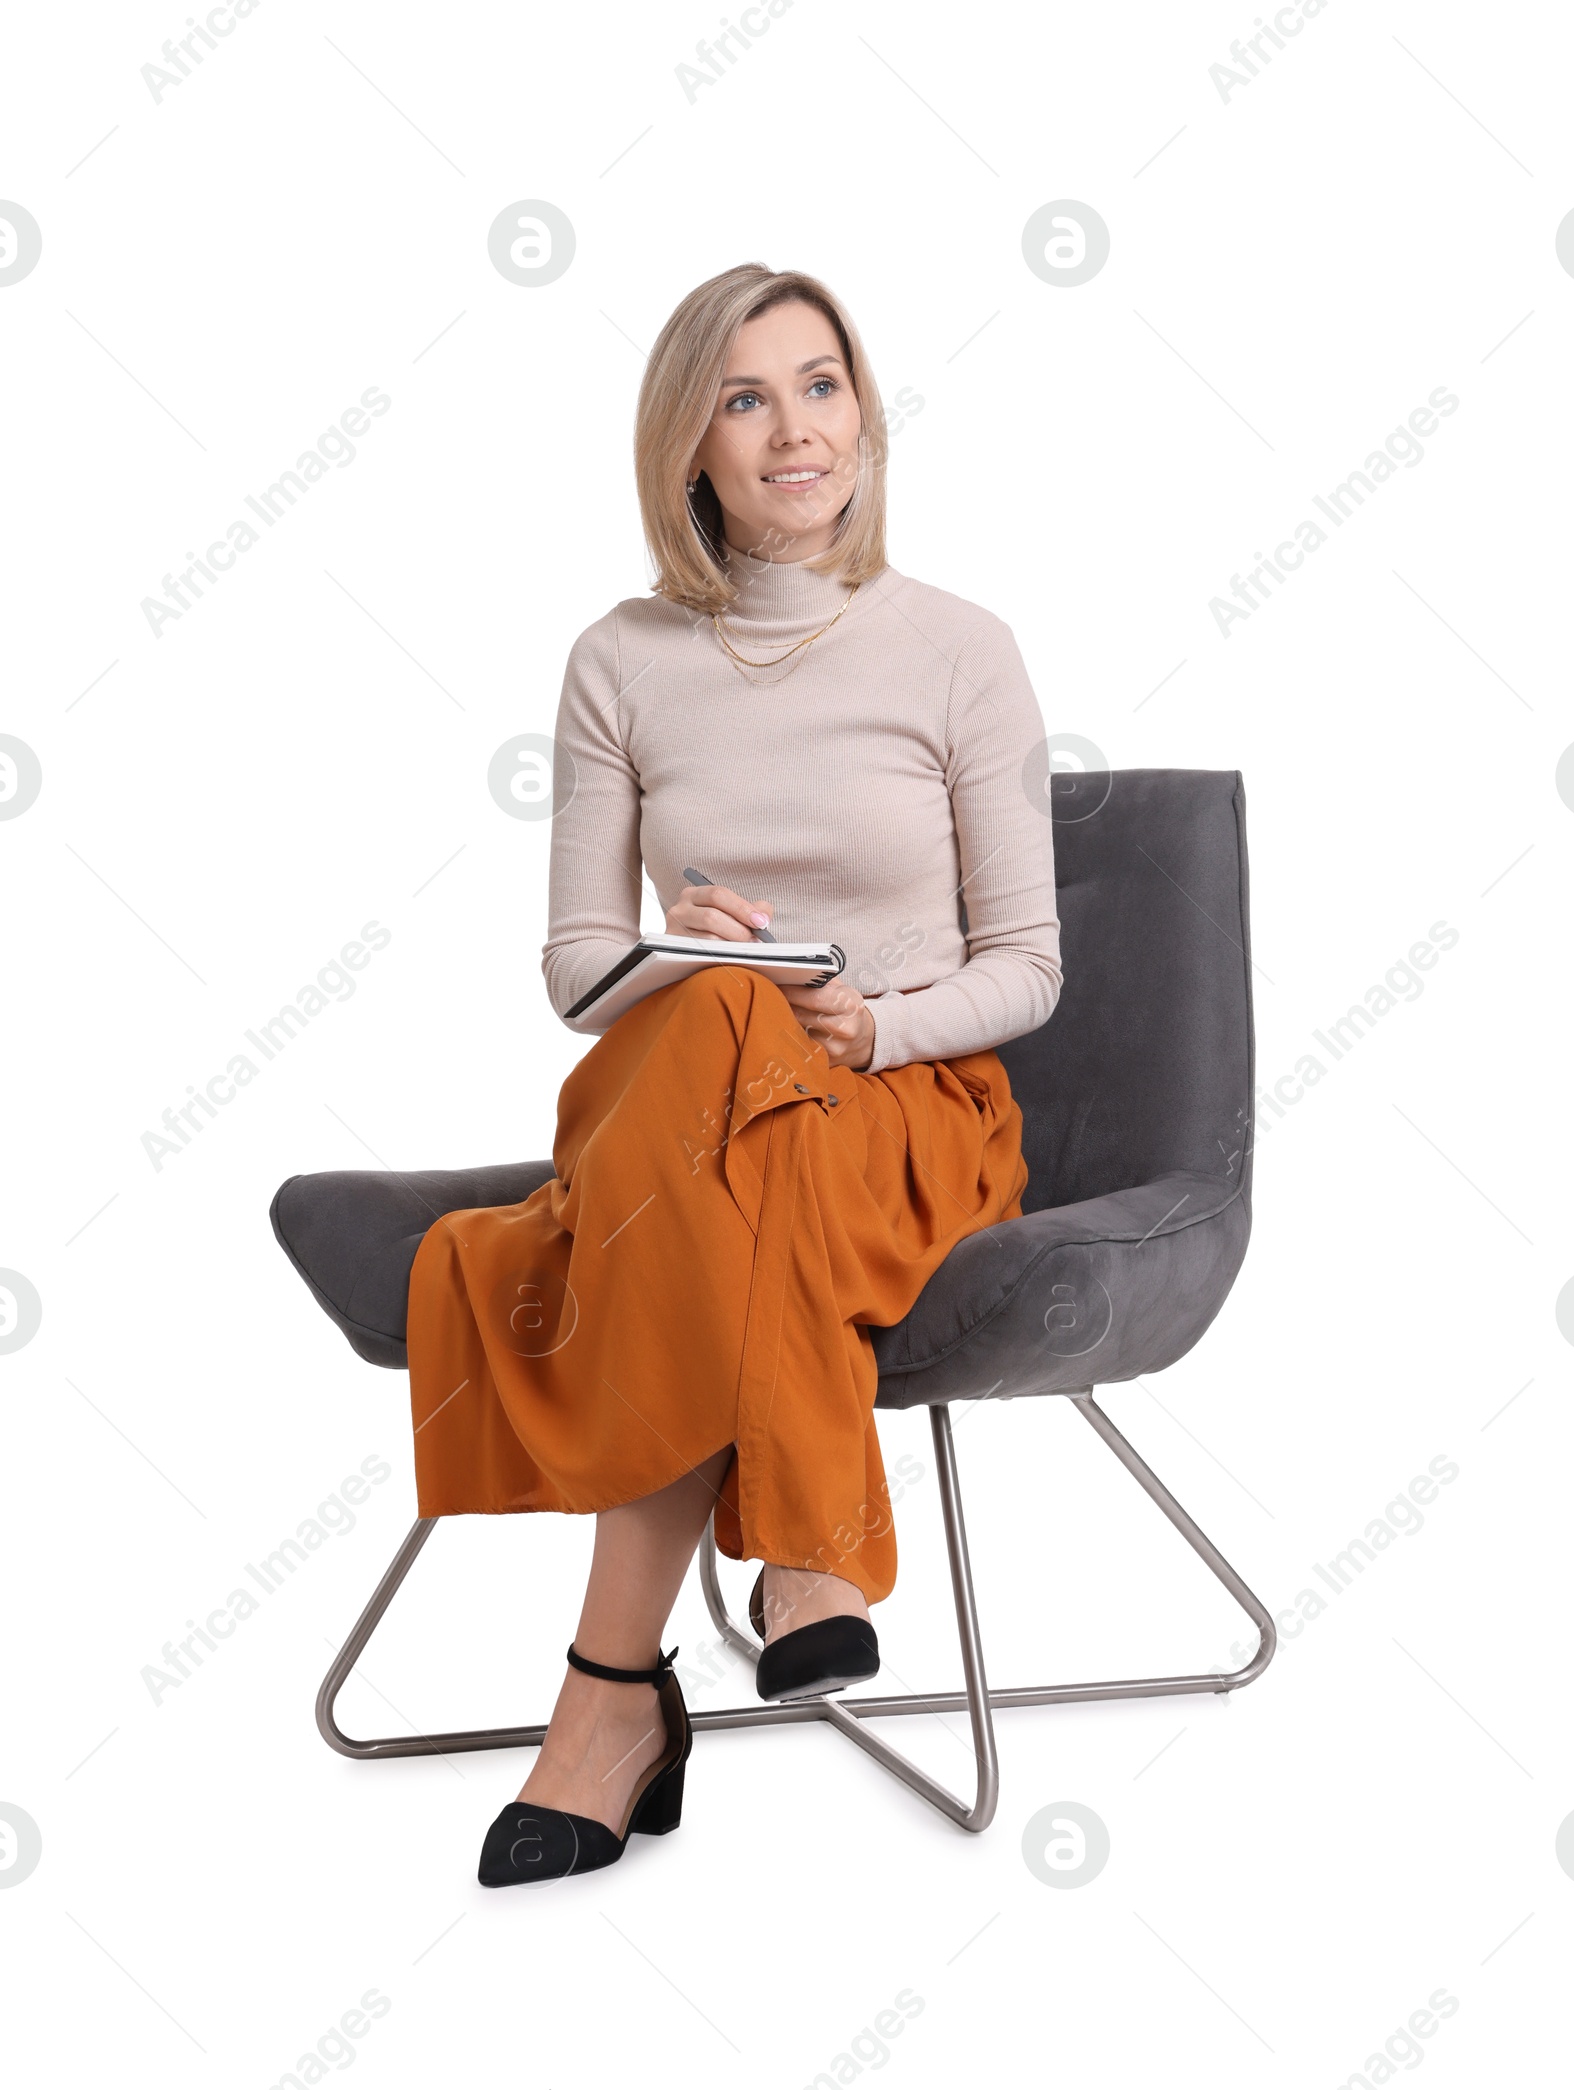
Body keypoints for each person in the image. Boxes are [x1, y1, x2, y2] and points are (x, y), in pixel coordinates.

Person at [404, 262, 1063, 1884]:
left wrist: (882, 1024)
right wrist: (681, 953)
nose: (794, 431)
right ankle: (809, 1555)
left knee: (721, 1135)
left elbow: (1030, 968)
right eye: (747, 396)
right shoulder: (621, 661)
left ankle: (608, 1700)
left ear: (865, 414)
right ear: (687, 441)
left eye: (822, 385)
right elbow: (577, 973)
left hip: (906, 1110)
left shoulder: (960, 650)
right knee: (706, 1033)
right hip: (686, 1093)